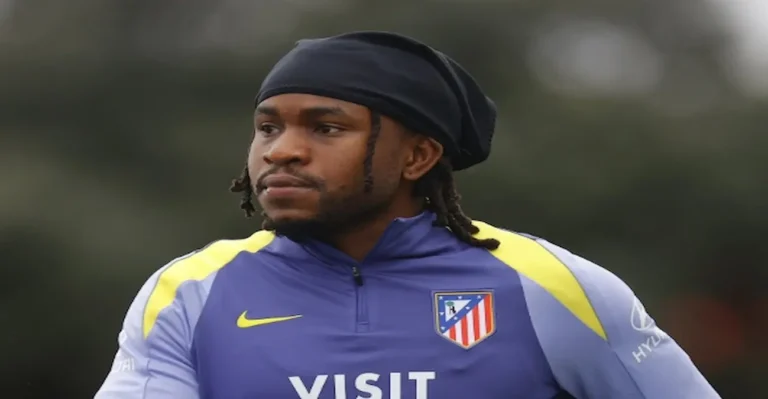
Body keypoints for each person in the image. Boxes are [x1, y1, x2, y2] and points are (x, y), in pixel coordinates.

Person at [94, 31, 720, 399]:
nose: (281, 150)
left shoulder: (553, 287)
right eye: (267, 127)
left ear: (418, 155)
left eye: (326, 127)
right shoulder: (187, 293)